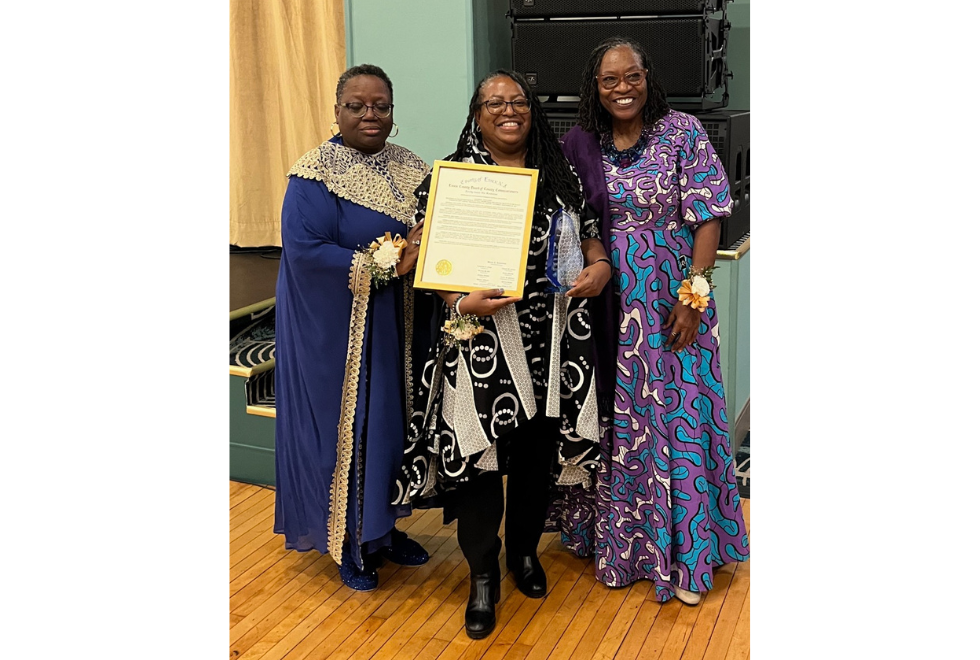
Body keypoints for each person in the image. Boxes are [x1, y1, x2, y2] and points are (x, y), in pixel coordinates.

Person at [392, 70, 611, 639]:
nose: (508, 110)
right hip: (479, 343)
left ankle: (524, 555)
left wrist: (601, 265)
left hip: (553, 339)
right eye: (494, 103)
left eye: (517, 101)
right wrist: (458, 298)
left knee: (538, 455)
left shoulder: (557, 173)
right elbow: (427, 259)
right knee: (481, 459)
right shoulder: (453, 177)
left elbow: (590, 234)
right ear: (477, 113)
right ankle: (482, 574)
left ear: (531, 110)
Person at [556, 36, 751, 605]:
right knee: (623, 422)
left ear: (648, 76)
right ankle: (627, 545)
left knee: (682, 417)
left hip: (672, 297)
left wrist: (694, 295)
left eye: (631, 75)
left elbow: (709, 215)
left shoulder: (682, 131)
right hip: (606, 303)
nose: (622, 87)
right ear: (594, 86)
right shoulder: (579, 143)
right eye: (609, 79)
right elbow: (568, 218)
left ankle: (688, 555)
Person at [273, 63, 433, 593]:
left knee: (390, 426)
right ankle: (348, 543)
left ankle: (383, 532)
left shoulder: (410, 166)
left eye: (380, 106)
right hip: (338, 331)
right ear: (336, 109)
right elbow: (306, 252)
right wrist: (385, 265)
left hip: (396, 324)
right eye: (357, 105)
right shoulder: (314, 174)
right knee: (351, 431)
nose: (370, 114)